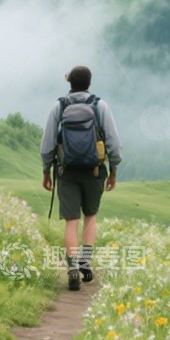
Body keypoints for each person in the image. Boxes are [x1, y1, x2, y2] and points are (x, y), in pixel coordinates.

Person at [41, 66, 121, 291]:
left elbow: (48, 142)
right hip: (94, 171)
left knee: (71, 222)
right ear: (89, 83)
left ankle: (72, 271)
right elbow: (113, 143)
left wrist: (46, 170)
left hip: (66, 172)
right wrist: (113, 170)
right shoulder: (100, 106)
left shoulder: (59, 106)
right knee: (91, 217)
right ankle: (86, 263)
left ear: (69, 83)